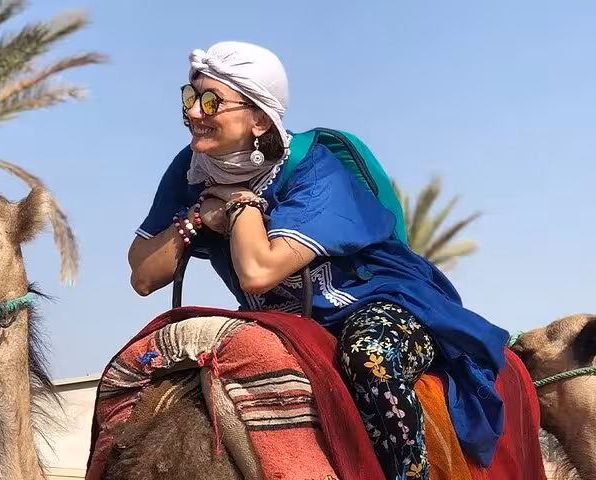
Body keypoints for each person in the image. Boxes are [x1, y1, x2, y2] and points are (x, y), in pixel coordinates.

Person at [128, 41, 509, 480]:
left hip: (377, 306)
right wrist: (197, 217)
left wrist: (236, 203)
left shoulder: (316, 169)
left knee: (370, 357)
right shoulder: (192, 168)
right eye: (190, 97)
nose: (194, 112)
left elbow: (257, 272)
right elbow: (142, 274)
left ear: (258, 119)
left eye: (211, 101)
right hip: (278, 320)